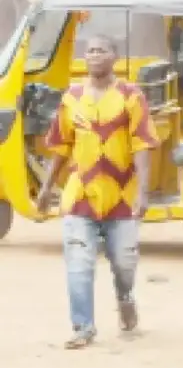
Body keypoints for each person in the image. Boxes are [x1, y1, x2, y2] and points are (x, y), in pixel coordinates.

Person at [35, 35, 159, 349]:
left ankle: (125, 297)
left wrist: (143, 192)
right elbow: (61, 147)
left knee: (124, 264)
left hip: (121, 196)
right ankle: (83, 327)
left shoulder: (131, 96)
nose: (94, 55)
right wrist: (47, 187)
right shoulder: (72, 98)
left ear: (114, 57)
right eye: (89, 50)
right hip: (80, 195)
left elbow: (142, 146)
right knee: (79, 263)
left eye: (101, 50)